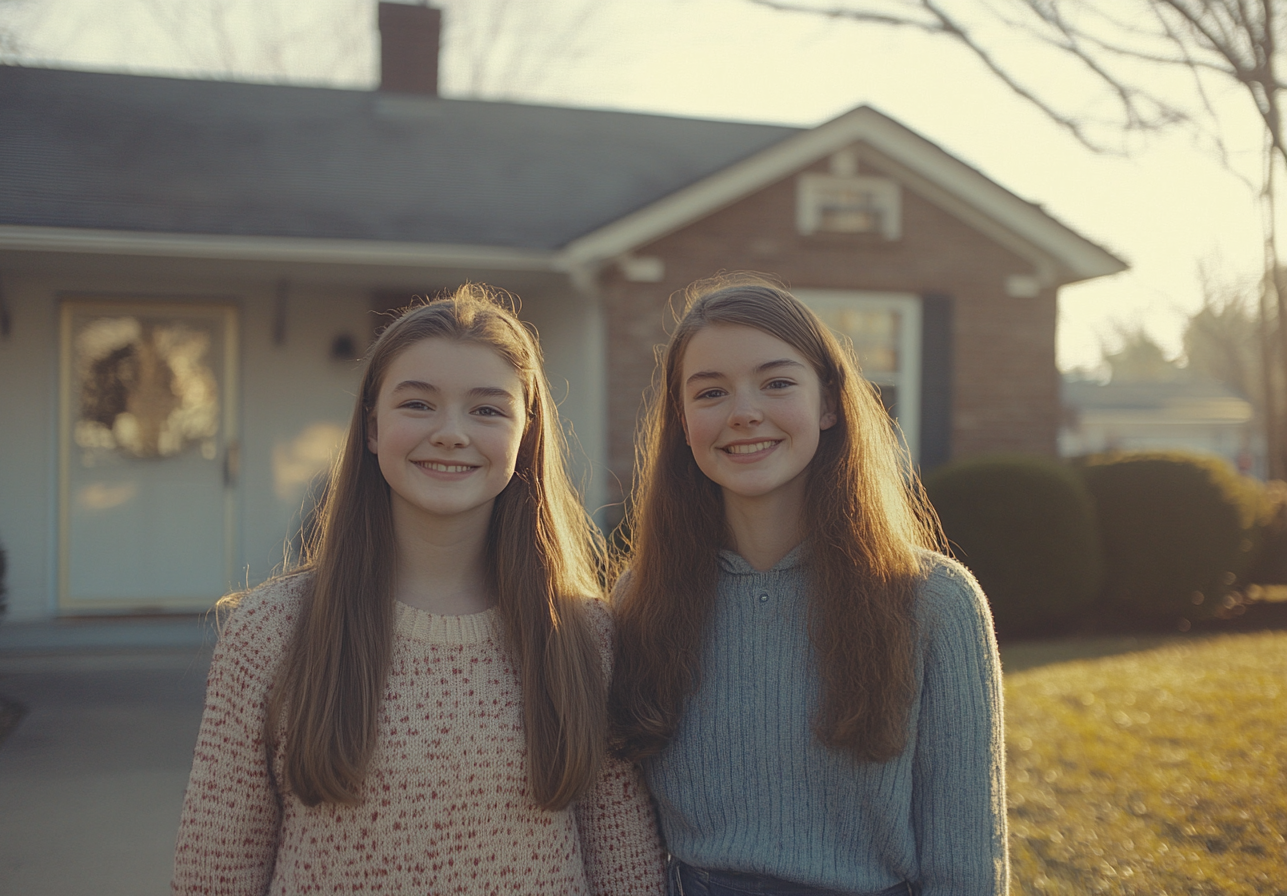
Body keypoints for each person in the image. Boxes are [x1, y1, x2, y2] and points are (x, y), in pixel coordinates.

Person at [172, 285, 664, 895]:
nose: (451, 433)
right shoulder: (271, 629)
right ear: (372, 428)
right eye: (418, 405)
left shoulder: (584, 634)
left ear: (525, 436)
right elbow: (215, 874)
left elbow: (626, 869)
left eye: (487, 410)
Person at [610, 275, 1007, 896]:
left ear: (828, 405)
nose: (744, 412)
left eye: (776, 383)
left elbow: (966, 869)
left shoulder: (935, 601)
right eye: (710, 392)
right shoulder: (641, 600)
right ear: (683, 423)